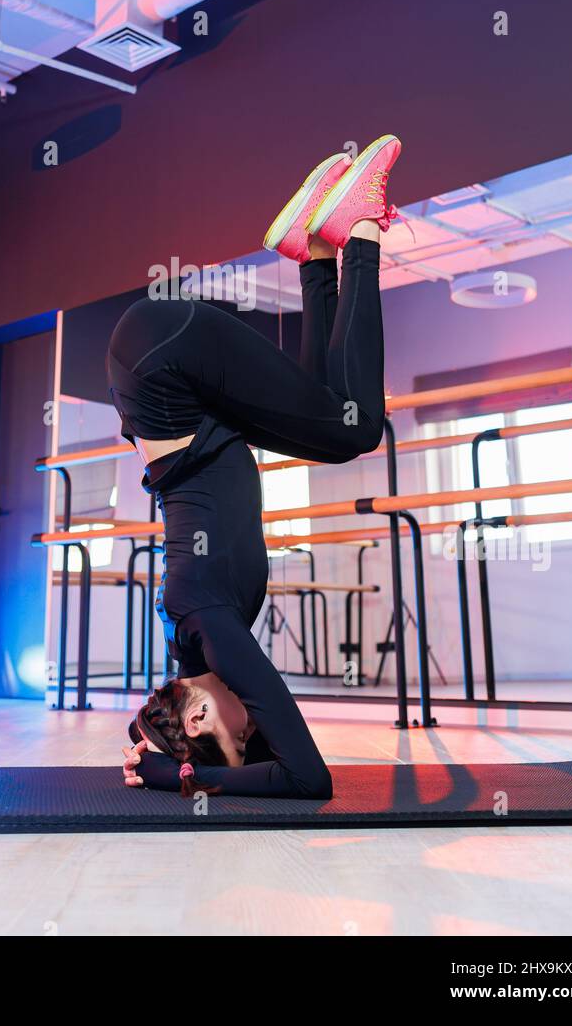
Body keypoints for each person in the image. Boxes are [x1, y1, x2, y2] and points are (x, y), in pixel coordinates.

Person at [107, 135, 402, 798]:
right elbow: (163, 727)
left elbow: (308, 779)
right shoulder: (196, 631)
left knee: (356, 427)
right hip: (158, 372)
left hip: (164, 367)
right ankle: (316, 251)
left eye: (238, 737)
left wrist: (176, 772)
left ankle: (358, 230)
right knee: (334, 417)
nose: (251, 724)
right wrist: (152, 747)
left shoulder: (211, 627)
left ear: (203, 712)